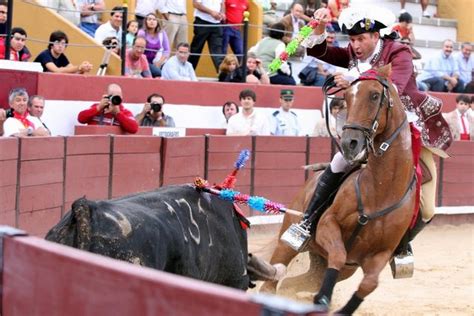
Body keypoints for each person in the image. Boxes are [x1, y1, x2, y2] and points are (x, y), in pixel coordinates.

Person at [293, 6, 453, 255]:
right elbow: (320, 51)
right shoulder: (354, 54)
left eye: (360, 39)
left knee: (428, 208)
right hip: (369, 127)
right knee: (338, 163)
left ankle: (400, 244)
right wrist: (321, 28)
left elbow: (394, 87)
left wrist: (353, 78)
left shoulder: (399, 52)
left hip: (405, 130)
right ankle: (306, 223)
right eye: (352, 40)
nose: (355, 45)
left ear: (376, 36)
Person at [189, 0, 225, 72]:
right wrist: (211, 12)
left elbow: (222, 3)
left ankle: (223, 75)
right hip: (202, 22)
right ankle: (188, 73)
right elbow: (195, 4)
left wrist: (222, 13)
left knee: (218, 52)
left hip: (216, 24)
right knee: (196, 49)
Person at [137, 13, 170, 78]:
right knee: (158, 73)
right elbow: (138, 49)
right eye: (149, 19)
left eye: (154, 19)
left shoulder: (162, 33)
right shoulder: (142, 32)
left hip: (157, 62)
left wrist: (159, 62)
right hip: (143, 62)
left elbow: (167, 50)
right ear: (146, 22)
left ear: (157, 22)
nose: (152, 21)